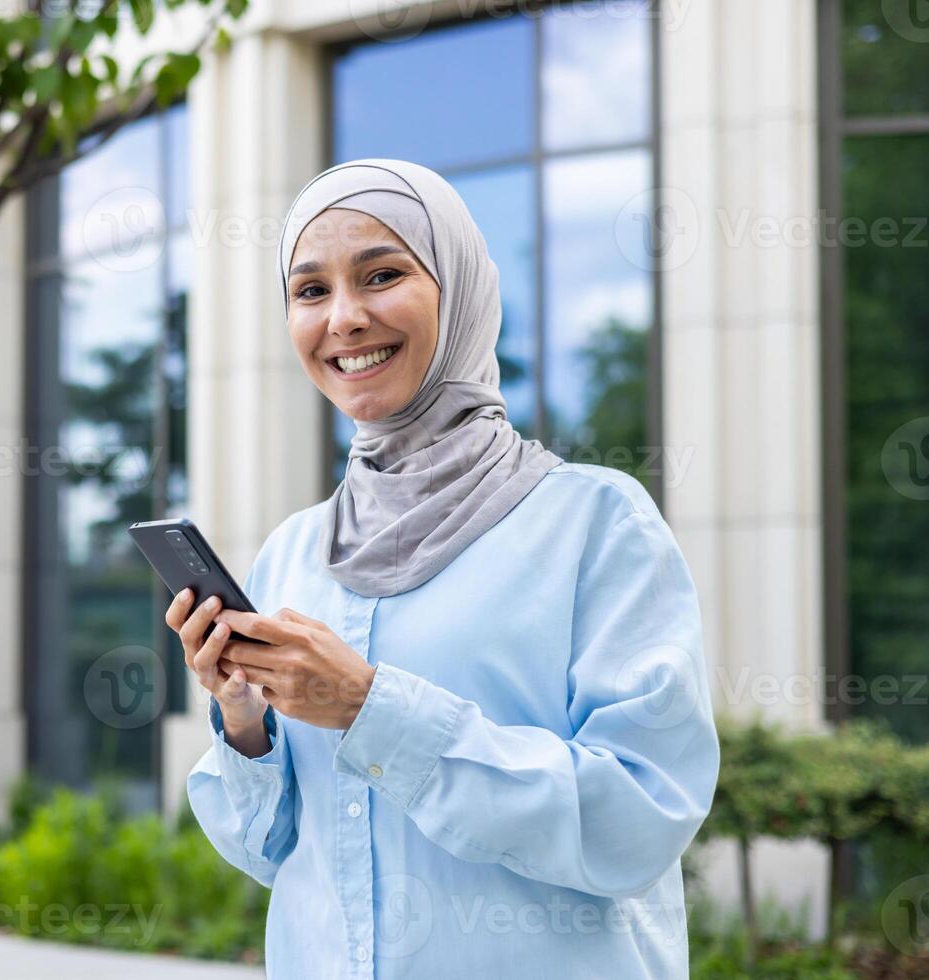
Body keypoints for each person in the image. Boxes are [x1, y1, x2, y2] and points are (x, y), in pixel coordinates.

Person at [167, 159, 719, 979]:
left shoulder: (595, 522)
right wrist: (244, 722)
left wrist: (367, 708)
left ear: (458, 291)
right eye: (310, 291)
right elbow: (269, 850)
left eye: (382, 275)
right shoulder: (294, 551)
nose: (345, 319)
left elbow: (636, 816)